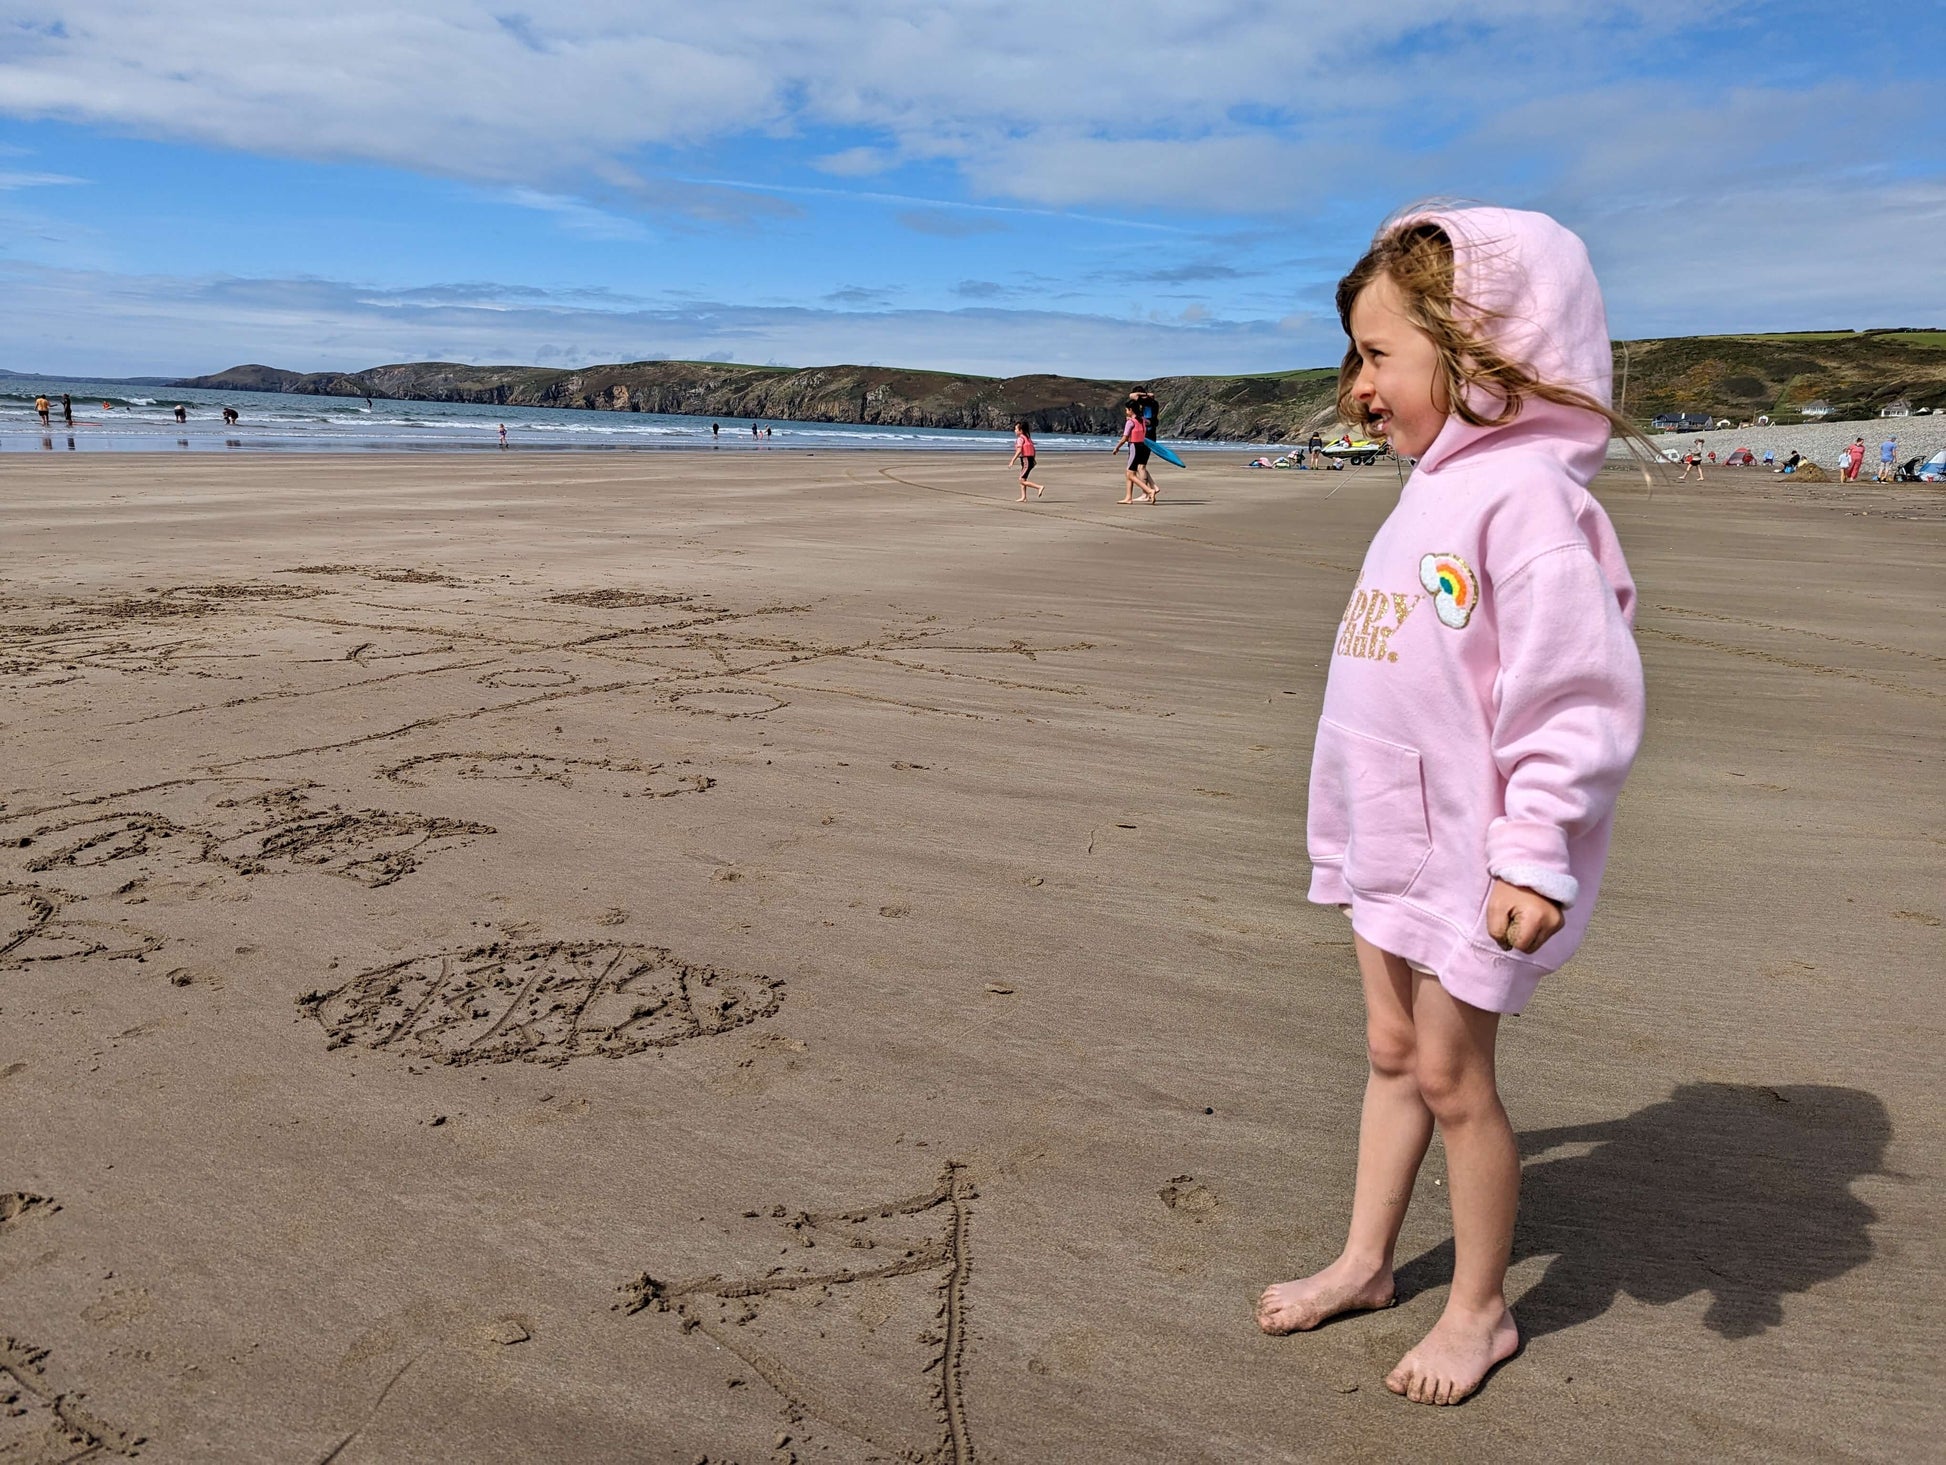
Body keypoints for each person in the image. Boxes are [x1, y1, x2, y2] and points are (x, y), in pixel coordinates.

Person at [1255, 206, 1646, 1408]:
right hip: (1386, 836)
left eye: (1377, 358)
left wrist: (1532, 856)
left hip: (1468, 858)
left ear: (1479, 360)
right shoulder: (1433, 488)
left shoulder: (1525, 500)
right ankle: (1369, 1262)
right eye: (1353, 359)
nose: (1355, 388)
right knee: (1388, 1052)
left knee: (1451, 1079)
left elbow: (1571, 697)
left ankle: (1479, 1308)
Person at [1111, 404, 1156, 504]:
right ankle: (1128, 498)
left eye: (1127, 410)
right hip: (1142, 446)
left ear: (1131, 410)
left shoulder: (1130, 422)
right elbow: (1149, 422)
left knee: (1130, 474)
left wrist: (1117, 448)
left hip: (1134, 448)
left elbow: (1125, 438)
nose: (1126, 411)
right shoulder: (1143, 420)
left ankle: (1149, 490)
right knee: (1131, 473)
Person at [1010, 419, 1044, 501]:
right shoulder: (1027, 438)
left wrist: (1012, 460)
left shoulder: (1020, 439)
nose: (1015, 431)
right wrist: (1034, 460)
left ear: (1020, 430)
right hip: (1030, 460)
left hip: (1026, 460)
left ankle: (1039, 487)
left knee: (1021, 480)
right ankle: (1024, 497)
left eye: (1016, 429)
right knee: (1023, 479)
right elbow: (1033, 450)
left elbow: (1019, 450)